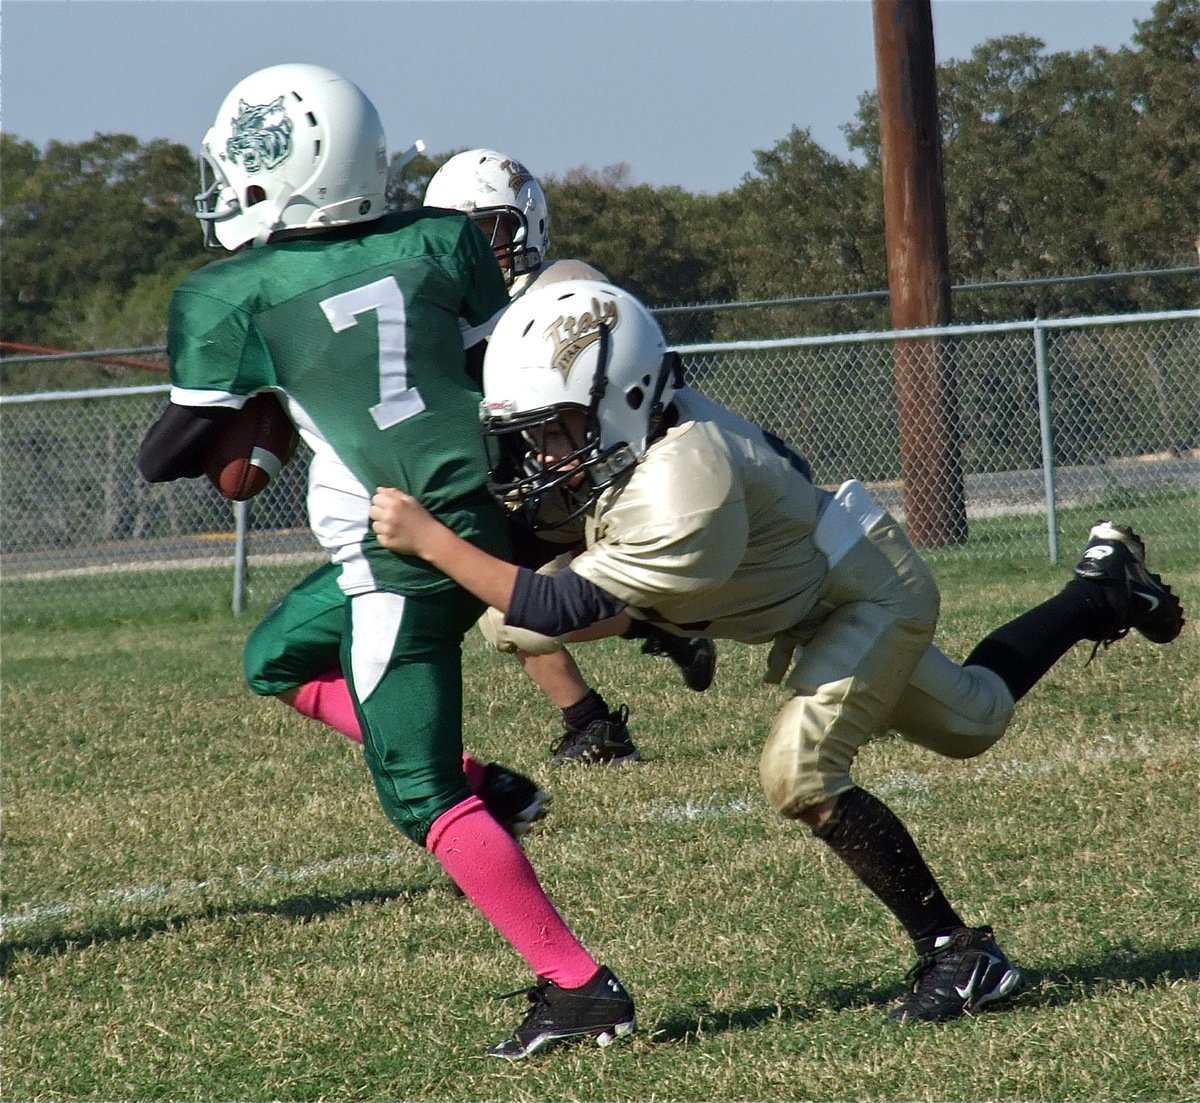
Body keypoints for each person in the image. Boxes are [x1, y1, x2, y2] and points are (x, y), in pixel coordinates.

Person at [368, 278, 1186, 1025]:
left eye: (558, 431)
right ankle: (1103, 588)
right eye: (533, 436)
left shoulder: (681, 478)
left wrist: (430, 537)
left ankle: (959, 955)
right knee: (976, 716)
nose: (544, 455)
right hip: (797, 593)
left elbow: (558, 599)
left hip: (861, 589)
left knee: (799, 771)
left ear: (624, 398)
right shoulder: (646, 434)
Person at [136, 67, 635, 1059]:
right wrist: (277, 390)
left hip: (398, 548)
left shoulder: (232, 290)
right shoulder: (439, 239)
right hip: (482, 517)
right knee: (275, 655)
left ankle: (580, 986)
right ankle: (486, 786)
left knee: (412, 792)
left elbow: (167, 457)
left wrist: (239, 397)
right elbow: (468, 362)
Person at [244, 147, 716, 767]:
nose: (470, 245)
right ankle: (600, 713)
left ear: (527, 226)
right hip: (537, 487)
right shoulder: (438, 308)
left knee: (511, 613)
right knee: (500, 604)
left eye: (487, 228)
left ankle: (647, 648)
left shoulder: (564, 289)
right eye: (451, 229)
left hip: (611, 486)